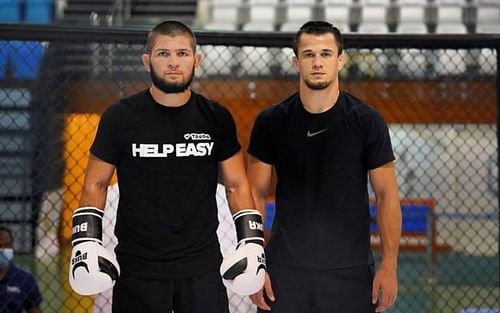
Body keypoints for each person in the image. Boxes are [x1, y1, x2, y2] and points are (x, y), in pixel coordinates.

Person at [68, 20, 266, 313]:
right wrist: (85, 240)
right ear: (147, 61)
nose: (173, 62)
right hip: (138, 268)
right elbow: (95, 183)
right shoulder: (119, 117)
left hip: (201, 266)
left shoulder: (215, 117)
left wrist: (251, 242)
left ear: (196, 59)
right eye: (163, 54)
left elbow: (237, 184)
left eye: (182, 54)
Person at [247, 21, 402, 313]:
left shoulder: (367, 122)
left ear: (340, 60)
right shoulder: (271, 122)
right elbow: (254, 195)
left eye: (326, 54)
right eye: (309, 55)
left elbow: (386, 196)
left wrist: (389, 266)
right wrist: (257, 263)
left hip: (351, 272)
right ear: (296, 62)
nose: (318, 62)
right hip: (285, 271)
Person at [0, 226, 42, 313]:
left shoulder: (25, 279)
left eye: (7, 245)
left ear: (12, 246)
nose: (3, 250)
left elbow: (34, 310)